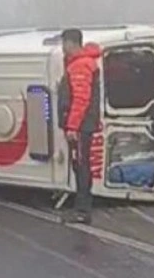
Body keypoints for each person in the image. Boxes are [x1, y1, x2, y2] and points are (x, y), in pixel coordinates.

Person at [59, 29, 101, 224]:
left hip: (81, 127)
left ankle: (82, 210)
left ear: (71, 43)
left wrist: (72, 127)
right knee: (80, 165)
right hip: (84, 125)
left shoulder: (80, 66)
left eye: (64, 43)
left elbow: (81, 99)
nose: (62, 47)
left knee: (82, 166)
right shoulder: (83, 63)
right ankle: (81, 207)